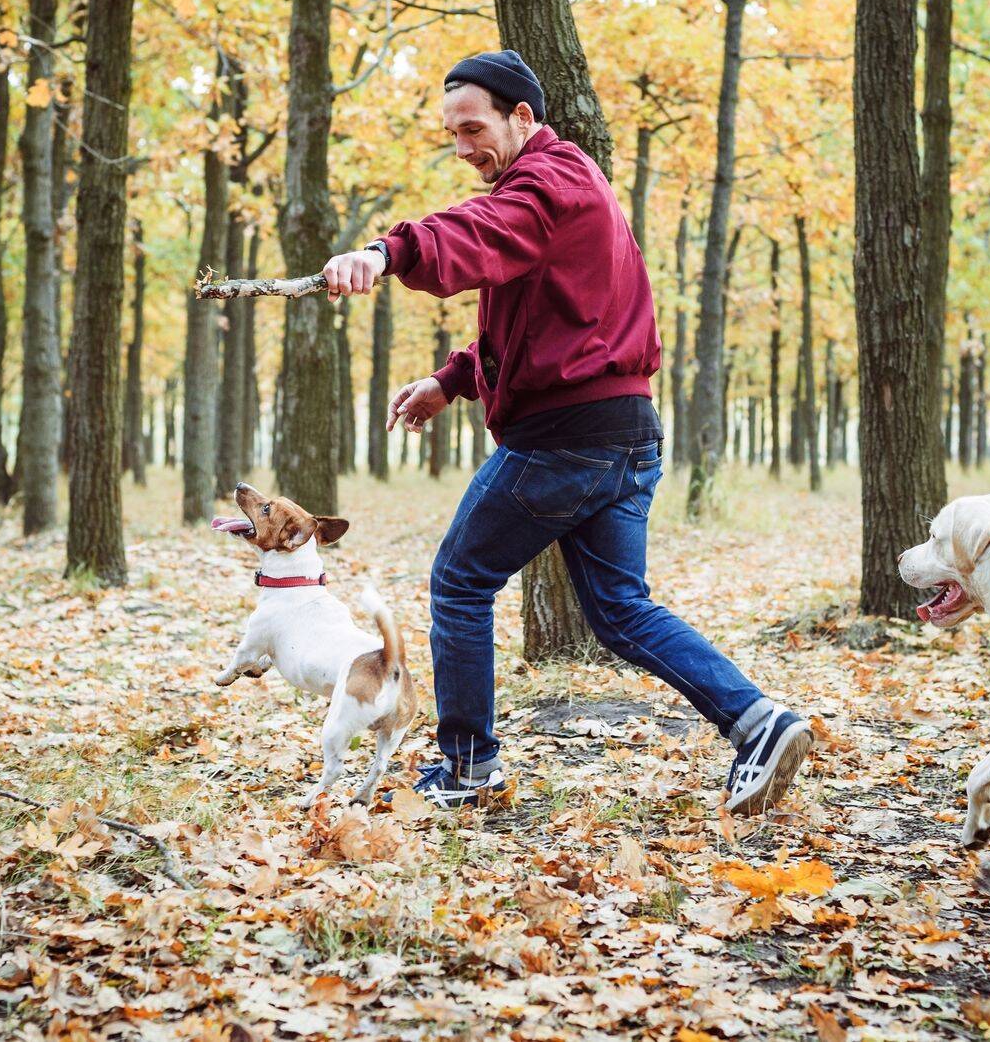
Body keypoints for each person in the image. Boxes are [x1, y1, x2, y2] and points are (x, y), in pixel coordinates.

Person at [321, 49, 811, 814]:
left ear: (523, 117)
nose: (462, 149)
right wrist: (451, 381)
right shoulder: (562, 188)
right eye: (450, 134)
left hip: (567, 439)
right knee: (618, 608)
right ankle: (759, 721)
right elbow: (531, 321)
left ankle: (467, 767)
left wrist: (388, 252)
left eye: (473, 128)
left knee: (459, 582)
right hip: (624, 430)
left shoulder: (546, 183)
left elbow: (475, 232)